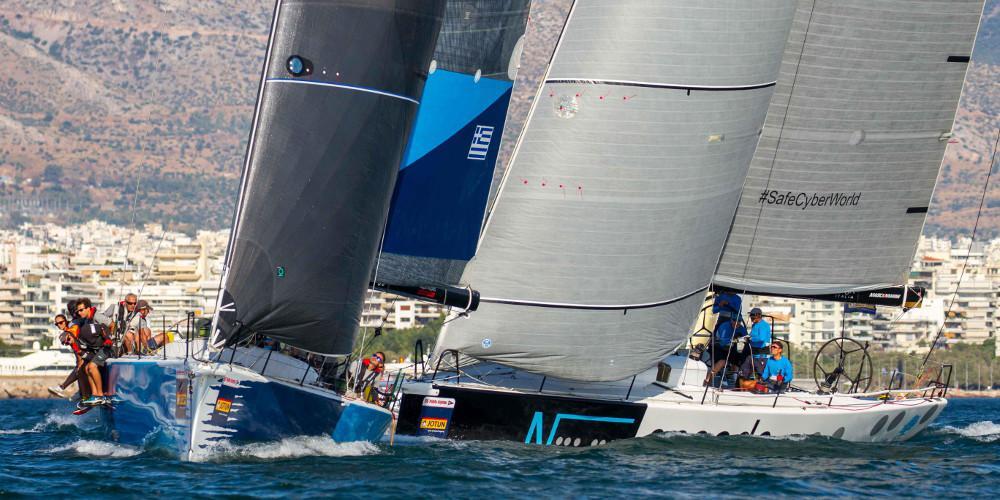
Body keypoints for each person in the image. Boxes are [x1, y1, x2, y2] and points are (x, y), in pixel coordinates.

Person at [74, 298, 114, 406]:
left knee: (92, 366)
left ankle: (100, 395)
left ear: (88, 308)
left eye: (81, 310)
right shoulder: (86, 320)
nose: (79, 313)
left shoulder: (97, 316)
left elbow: (112, 325)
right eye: (78, 311)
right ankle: (95, 395)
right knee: (87, 368)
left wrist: (109, 338)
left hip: (108, 347)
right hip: (99, 348)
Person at [47, 314, 90, 400]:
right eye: (57, 324)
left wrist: (80, 362)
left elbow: (75, 343)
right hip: (83, 352)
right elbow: (75, 349)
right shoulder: (67, 331)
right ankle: (81, 393)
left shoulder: (72, 329)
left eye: (61, 322)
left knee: (79, 369)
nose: (59, 325)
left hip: (90, 352)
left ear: (65, 321)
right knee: (78, 368)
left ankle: (66, 389)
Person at [741, 307, 772, 379]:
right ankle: (743, 380)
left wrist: (750, 339)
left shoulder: (764, 325)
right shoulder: (754, 324)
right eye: (751, 316)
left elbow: (761, 338)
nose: (751, 318)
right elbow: (751, 335)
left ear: (759, 315)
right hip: (753, 353)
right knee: (744, 369)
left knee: (761, 374)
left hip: (761, 355)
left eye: (753, 316)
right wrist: (743, 338)